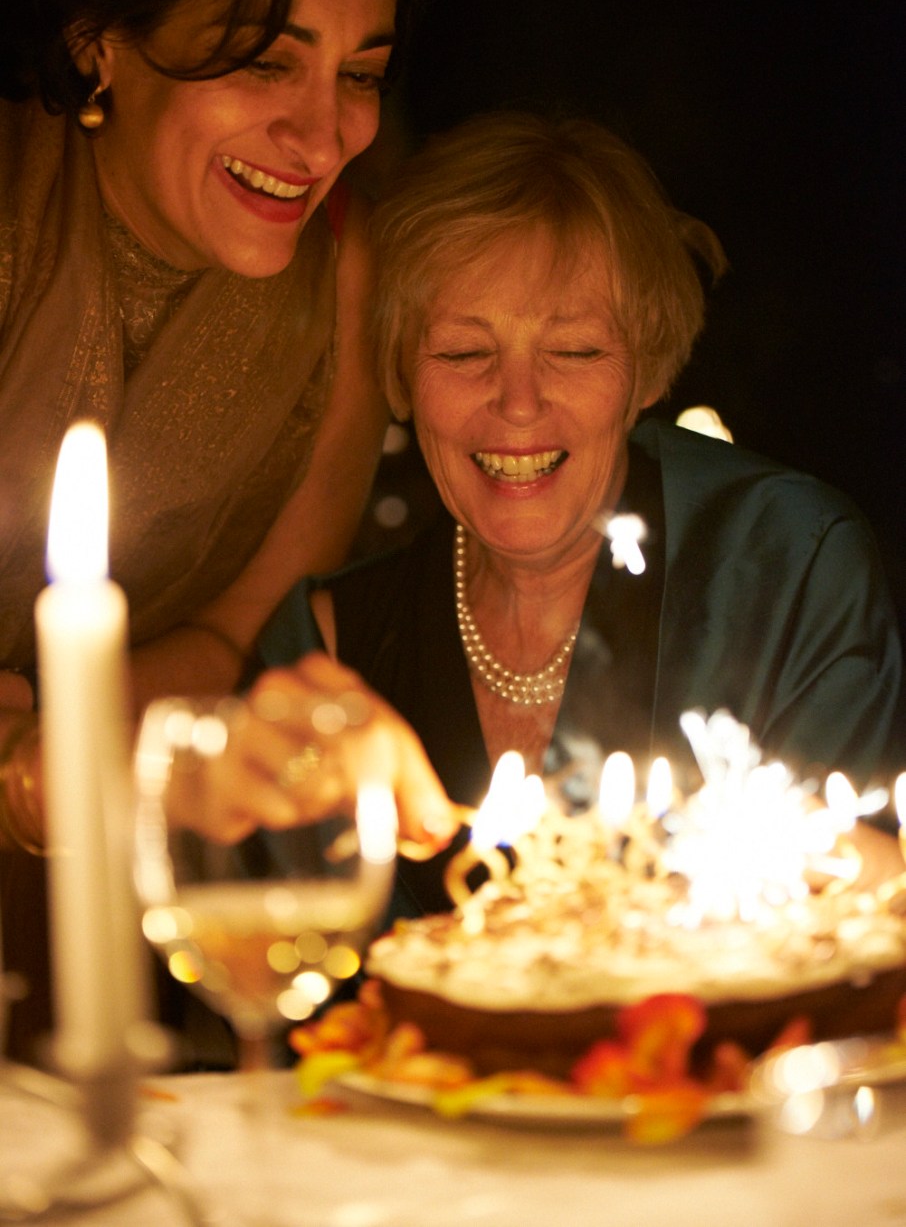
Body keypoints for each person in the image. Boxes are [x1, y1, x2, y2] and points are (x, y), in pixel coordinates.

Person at [0, 0, 458, 1058]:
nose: (323, 137)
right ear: (99, 40)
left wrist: (241, 748)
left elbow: (227, 639)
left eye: (359, 75)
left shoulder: (343, 282)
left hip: (72, 949)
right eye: (266, 60)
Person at [256, 111, 905, 915]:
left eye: (575, 350)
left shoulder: (792, 565)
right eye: (464, 352)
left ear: (646, 373)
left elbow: (861, 933)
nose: (518, 404)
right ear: (399, 376)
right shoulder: (331, 649)